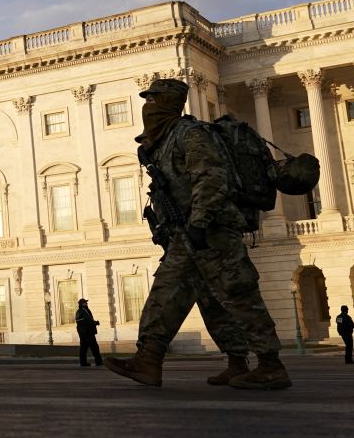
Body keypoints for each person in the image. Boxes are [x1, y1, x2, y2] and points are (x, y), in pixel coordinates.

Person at [104, 78, 291, 390]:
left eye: (154, 101)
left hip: (212, 231)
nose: (147, 107)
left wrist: (200, 223)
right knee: (199, 300)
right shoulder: (162, 141)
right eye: (147, 101)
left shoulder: (191, 134)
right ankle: (226, 361)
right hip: (186, 234)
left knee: (239, 295)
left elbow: (212, 178)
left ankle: (271, 365)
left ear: (170, 104)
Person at [75, 298, 102, 366]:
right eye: (85, 303)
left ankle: (83, 362)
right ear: (82, 304)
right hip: (88, 332)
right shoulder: (84, 310)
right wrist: (96, 323)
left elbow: (81, 321)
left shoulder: (78, 311)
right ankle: (98, 361)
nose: (86, 304)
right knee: (94, 347)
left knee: (83, 348)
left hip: (82, 332)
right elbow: (88, 320)